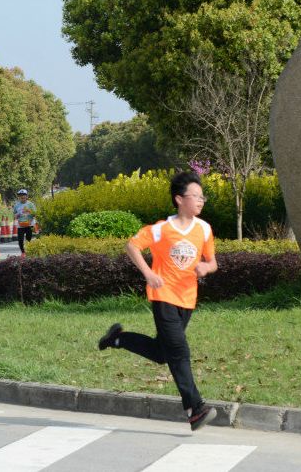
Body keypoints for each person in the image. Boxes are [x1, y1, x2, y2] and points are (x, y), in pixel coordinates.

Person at [97, 171, 219, 431]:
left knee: (163, 354)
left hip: (187, 299)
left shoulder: (204, 229)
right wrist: (149, 273)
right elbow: (132, 246)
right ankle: (194, 409)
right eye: (195, 196)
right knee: (180, 351)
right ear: (179, 199)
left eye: (202, 196)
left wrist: (205, 269)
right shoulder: (162, 229)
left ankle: (117, 339)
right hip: (163, 296)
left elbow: (212, 262)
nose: (200, 201)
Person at [12, 189, 36, 253]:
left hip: (29, 224)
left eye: (24, 195)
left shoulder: (31, 204)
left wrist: (29, 211)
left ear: (26, 196)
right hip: (21, 225)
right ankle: (23, 252)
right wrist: (17, 215)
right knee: (20, 240)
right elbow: (14, 215)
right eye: (20, 196)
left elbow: (35, 214)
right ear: (19, 197)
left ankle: (29, 251)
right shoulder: (16, 205)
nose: (22, 197)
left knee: (28, 239)